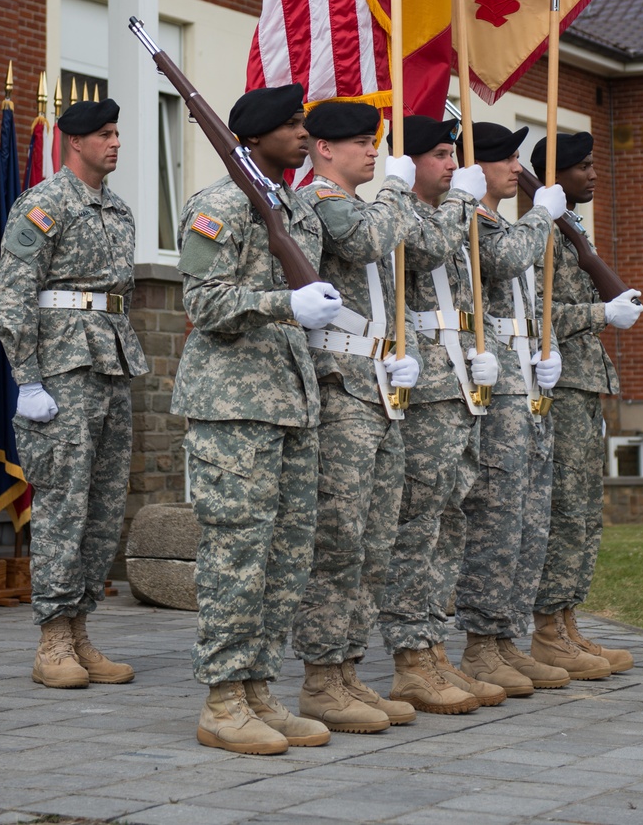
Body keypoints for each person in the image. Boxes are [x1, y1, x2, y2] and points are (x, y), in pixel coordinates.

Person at [172, 83, 341, 756]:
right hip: (232, 405)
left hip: (291, 405)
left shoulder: (294, 207)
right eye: (292, 125)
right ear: (254, 136)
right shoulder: (216, 206)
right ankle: (222, 698)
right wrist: (282, 304)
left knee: (286, 556)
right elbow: (203, 302)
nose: (304, 134)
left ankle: (259, 689)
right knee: (236, 555)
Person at [0, 97, 148, 691]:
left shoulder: (119, 210)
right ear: (74, 141)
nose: (115, 143)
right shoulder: (44, 205)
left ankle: (81, 628)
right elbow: (13, 296)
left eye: (117, 132)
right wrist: (27, 379)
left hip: (110, 363)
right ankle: (52, 638)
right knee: (63, 501)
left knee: (104, 503)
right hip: (61, 369)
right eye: (104, 134)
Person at [290, 100, 424, 733]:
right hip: (341, 389)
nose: (374, 152)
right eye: (361, 143)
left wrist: (404, 356)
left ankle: (347, 668)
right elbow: (370, 240)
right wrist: (400, 186)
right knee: (339, 538)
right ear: (324, 149)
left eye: (376, 144)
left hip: (377, 385)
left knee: (375, 541)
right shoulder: (321, 200)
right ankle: (320, 678)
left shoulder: (366, 203)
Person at [377, 114, 504, 715]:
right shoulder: (405, 213)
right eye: (438, 154)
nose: (452, 163)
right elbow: (428, 249)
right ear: (408, 163)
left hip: (458, 383)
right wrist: (461, 202)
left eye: (453, 153)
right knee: (417, 524)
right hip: (422, 387)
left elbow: (473, 297)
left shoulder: (457, 212)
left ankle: (434, 646)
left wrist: (487, 354)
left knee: (449, 520)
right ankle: (409, 657)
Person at [454, 122, 571, 696]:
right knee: (498, 517)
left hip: (527, 376)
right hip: (496, 385)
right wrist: (542, 216)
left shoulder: (504, 219)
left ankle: (506, 638)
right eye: (504, 159)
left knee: (530, 517)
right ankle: (481, 644)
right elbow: (499, 263)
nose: (515, 169)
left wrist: (543, 351)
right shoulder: (472, 217)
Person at [529, 131, 643, 679]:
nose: (594, 174)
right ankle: (549, 630)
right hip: (561, 386)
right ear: (558, 177)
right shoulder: (544, 233)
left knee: (583, 513)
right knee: (566, 511)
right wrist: (603, 315)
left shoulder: (570, 229)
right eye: (583, 166)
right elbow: (541, 315)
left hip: (583, 385)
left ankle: (567, 619)